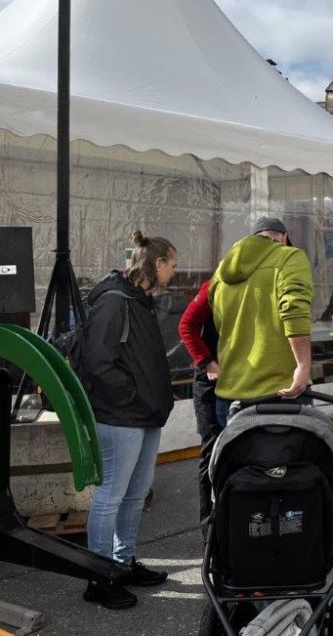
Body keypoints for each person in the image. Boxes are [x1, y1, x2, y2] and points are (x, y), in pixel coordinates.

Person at [81, 231, 178, 610]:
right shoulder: (114, 302)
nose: (173, 273)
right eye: (171, 265)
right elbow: (98, 362)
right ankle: (99, 575)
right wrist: (132, 397)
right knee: (110, 497)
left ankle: (123, 563)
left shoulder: (138, 301)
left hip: (144, 414)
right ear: (156, 264)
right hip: (122, 416)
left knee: (136, 494)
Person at [209, 216, 314, 426]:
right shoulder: (290, 256)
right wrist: (303, 366)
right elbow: (294, 309)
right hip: (280, 393)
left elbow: (217, 317)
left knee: (239, 458)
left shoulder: (222, 269)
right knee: (291, 457)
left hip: (230, 395)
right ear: (283, 237)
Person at [177, 279, 220, 537]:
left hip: (239, 381)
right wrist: (207, 362)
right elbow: (187, 325)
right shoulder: (215, 286)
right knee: (212, 450)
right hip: (210, 381)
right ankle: (210, 533)